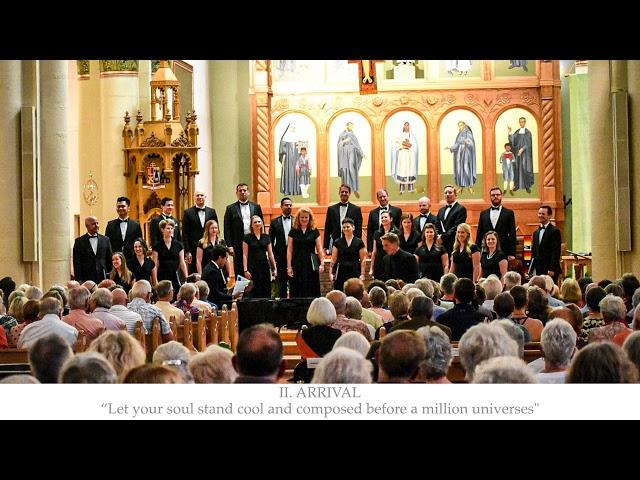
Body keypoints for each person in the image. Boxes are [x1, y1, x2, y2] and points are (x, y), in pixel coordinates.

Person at [224, 183, 263, 280]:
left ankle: (254, 293)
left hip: (254, 242)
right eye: (240, 190)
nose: (242, 192)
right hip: (238, 244)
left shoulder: (256, 207)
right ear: (236, 193)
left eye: (244, 190)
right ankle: (242, 293)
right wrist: (229, 246)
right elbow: (227, 228)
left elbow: (261, 224)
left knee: (255, 267)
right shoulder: (230, 208)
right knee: (240, 269)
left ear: (248, 192)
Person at [287, 207, 324, 298]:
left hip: (310, 263)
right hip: (297, 262)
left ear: (310, 218)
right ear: (298, 218)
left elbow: (319, 248)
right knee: (297, 287)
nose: (304, 219)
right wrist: (289, 267)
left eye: (306, 217)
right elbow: (289, 250)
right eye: (302, 217)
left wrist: (322, 263)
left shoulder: (314, 231)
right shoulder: (293, 231)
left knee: (311, 287)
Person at [182, 190, 218, 274]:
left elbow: (216, 229)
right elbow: (185, 233)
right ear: (194, 197)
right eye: (197, 195)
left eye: (202, 195)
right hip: (193, 247)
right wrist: (187, 251)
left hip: (209, 248)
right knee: (194, 272)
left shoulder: (212, 211)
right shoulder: (188, 212)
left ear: (205, 197)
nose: (200, 197)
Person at [475, 186, 517, 259]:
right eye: (493, 195)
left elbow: (512, 234)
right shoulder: (483, 214)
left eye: (497, 195)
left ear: (501, 196)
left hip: (504, 250)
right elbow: (479, 233)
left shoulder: (509, 213)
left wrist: (512, 253)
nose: (495, 197)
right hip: (487, 250)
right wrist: (476, 251)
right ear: (490, 197)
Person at [152, 219, 188, 297]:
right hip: (162, 275)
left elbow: (182, 262)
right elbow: (154, 264)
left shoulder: (179, 245)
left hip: (175, 275)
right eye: (168, 228)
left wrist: (186, 278)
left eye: (172, 228)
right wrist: (155, 281)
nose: (170, 230)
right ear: (162, 230)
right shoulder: (157, 246)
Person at [243, 215, 277, 299]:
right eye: (255, 222)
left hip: (264, 267)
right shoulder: (247, 237)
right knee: (254, 290)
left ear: (262, 223)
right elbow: (245, 254)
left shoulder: (266, 237)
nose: (257, 224)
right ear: (251, 225)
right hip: (252, 267)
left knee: (265, 289)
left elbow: (270, 254)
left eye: (259, 222)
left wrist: (274, 269)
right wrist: (245, 269)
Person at [324, 184, 363, 255]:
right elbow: (327, 229)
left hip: (351, 244)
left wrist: (358, 245)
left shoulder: (356, 209)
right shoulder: (331, 209)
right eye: (342, 192)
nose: (344, 193)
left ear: (349, 194)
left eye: (346, 192)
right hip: (335, 244)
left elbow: (358, 229)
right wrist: (325, 246)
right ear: (339, 193)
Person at [329, 217, 367, 291]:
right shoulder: (337, 242)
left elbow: (363, 260)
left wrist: (362, 274)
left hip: (355, 270)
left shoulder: (359, 242)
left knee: (354, 291)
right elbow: (333, 260)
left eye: (348, 227)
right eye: (344, 227)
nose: (346, 229)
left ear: (353, 228)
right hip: (341, 272)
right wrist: (331, 273)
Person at [72, 216, 113, 283]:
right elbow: (77, 262)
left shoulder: (105, 240)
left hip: (103, 277)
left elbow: (109, 259)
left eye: (97, 223)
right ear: (87, 226)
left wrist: (111, 277)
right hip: (86, 278)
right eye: (93, 224)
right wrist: (79, 280)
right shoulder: (79, 242)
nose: (96, 226)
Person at [104, 196, 143, 262]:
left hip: (132, 260)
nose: (120, 208)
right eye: (118, 207)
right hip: (115, 260)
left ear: (128, 208)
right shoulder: (110, 225)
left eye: (123, 206)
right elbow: (107, 244)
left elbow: (140, 243)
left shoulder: (136, 225)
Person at [269, 197, 293, 298]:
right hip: (280, 256)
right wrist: (274, 258)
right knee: (282, 282)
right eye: (286, 205)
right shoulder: (274, 222)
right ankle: (283, 305)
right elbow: (270, 240)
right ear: (281, 207)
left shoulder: (296, 220)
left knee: (294, 282)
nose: (288, 207)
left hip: (294, 256)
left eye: (290, 205)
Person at [444, 121, 477, 193]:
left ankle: (470, 186)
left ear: (464, 125)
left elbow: (471, 144)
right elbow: (457, 143)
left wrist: (468, 143)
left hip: (466, 155)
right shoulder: (459, 134)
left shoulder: (468, 133)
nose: (460, 127)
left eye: (461, 125)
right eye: (459, 126)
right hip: (459, 154)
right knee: (459, 170)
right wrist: (451, 147)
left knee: (466, 169)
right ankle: (461, 186)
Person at [530, 205, 561, 280]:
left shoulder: (555, 231)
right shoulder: (536, 232)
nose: (540, 216)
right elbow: (534, 252)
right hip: (538, 269)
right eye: (539, 213)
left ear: (549, 216)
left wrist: (552, 269)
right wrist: (531, 269)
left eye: (543, 214)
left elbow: (556, 252)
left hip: (549, 270)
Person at [436, 185, 467, 255]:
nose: (447, 194)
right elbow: (437, 225)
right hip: (441, 244)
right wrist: (438, 236)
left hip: (454, 243)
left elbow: (457, 227)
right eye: (445, 193)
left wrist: (443, 237)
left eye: (450, 192)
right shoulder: (441, 210)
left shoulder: (461, 209)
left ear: (456, 195)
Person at [390, 121, 419, 194]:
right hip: (402, 154)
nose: (407, 127)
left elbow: (414, 145)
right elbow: (395, 144)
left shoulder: (411, 136)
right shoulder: (400, 135)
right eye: (405, 125)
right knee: (402, 170)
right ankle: (402, 189)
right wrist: (401, 145)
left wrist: (410, 145)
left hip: (410, 155)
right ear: (403, 126)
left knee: (410, 170)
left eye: (408, 125)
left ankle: (410, 188)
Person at [337, 122, 364, 196]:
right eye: (350, 125)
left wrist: (362, 153)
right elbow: (339, 145)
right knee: (345, 170)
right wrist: (344, 141)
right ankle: (345, 190)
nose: (351, 127)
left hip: (352, 152)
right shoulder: (342, 134)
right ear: (347, 126)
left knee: (352, 168)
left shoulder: (353, 135)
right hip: (344, 153)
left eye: (352, 125)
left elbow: (357, 145)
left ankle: (355, 189)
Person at [508, 117, 535, 193]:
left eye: (523, 122)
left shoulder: (528, 132)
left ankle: (527, 186)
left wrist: (522, 149)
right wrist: (510, 132)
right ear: (519, 123)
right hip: (517, 155)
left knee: (524, 168)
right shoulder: (517, 132)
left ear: (525, 122)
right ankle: (517, 185)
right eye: (520, 122)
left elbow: (528, 144)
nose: (521, 123)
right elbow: (513, 141)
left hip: (525, 155)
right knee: (517, 168)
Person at [369, 211, 398, 280]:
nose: (383, 219)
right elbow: (374, 251)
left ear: (391, 219)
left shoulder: (396, 232)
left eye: (385, 217)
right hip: (379, 262)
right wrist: (371, 268)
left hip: (392, 262)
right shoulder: (377, 233)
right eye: (382, 217)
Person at [278, 124, 301, 196]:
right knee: (288, 174)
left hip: (297, 160)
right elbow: (281, 151)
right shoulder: (285, 140)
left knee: (297, 175)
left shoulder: (299, 140)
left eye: (294, 128)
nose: (293, 129)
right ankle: (288, 191)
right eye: (292, 128)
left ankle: (297, 191)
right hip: (288, 161)